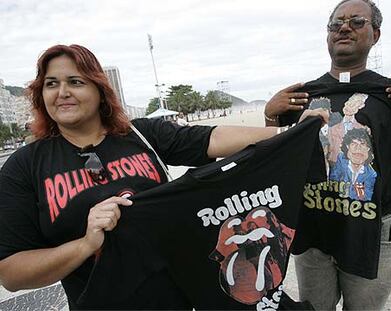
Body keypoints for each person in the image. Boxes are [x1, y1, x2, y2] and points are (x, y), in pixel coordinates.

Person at [0, 44, 326, 310]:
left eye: (75, 81)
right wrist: (85, 245)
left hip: (177, 300)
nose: (62, 92)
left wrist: (291, 132)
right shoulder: (24, 167)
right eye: (51, 84)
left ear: (100, 90)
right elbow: (11, 274)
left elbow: (212, 139)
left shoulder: (141, 135)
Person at [263, 0, 391, 310]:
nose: (344, 27)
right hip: (314, 230)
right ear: (328, 35)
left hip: (374, 233)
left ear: (376, 34)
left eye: (357, 22)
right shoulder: (301, 96)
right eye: (336, 23)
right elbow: (278, 161)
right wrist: (270, 117)